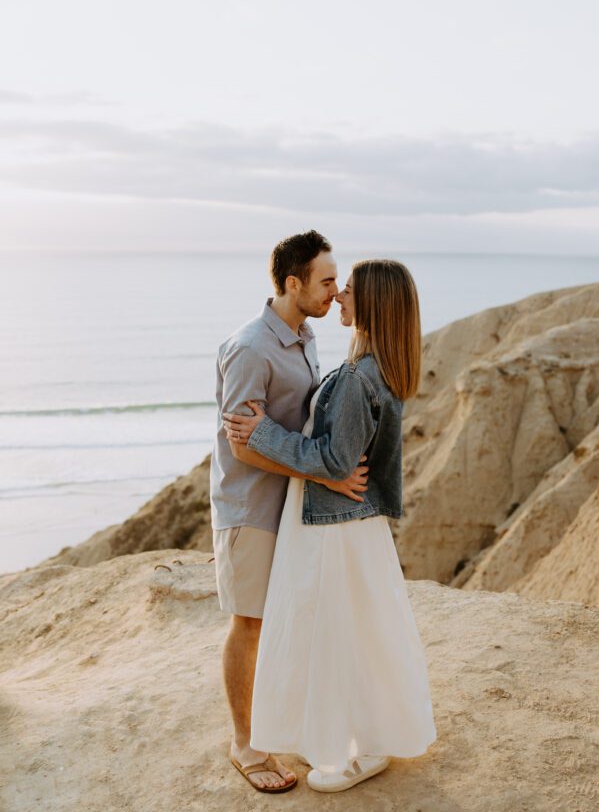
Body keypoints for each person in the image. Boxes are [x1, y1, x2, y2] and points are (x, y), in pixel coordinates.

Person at [224, 258, 437, 793]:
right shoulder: (378, 367)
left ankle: (349, 749)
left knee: (331, 634)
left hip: (332, 526)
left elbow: (336, 461)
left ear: (371, 305)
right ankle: (366, 741)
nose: (339, 297)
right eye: (335, 285)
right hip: (351, 522)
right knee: (359, 632)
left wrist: (260, 434)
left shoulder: (356, 378)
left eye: (347, 290)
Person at [210, 230, 370, 794]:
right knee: (249, 623)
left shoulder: (303, 335)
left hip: (293, 507)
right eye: (327, 281)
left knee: (284, 621)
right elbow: (243, 444)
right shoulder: (251, 347)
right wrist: (325, 470)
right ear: (294, 282)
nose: (335, 291)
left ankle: (280, 726)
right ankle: (245, 745)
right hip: (250, 507)